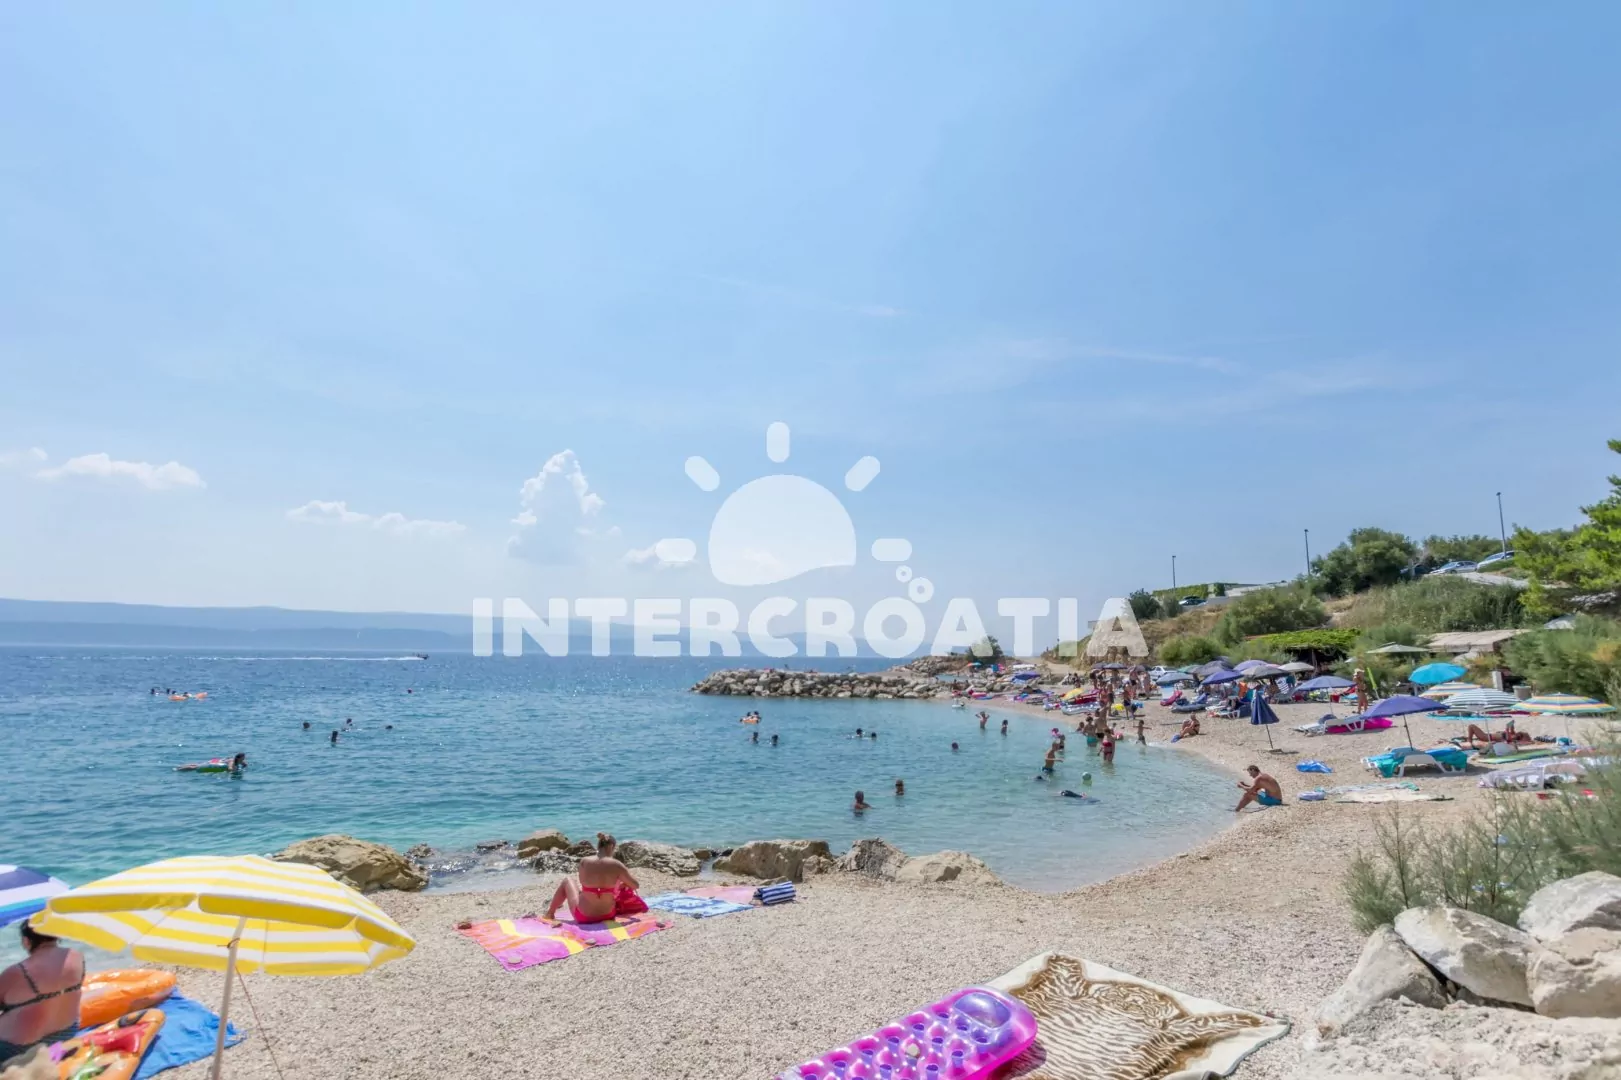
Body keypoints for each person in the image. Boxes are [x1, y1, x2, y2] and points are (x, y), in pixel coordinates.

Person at [0, 924, 84, 1065]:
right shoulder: (76, 957)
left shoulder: (17, 972)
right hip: (66, 1033)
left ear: (26, 941)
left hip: (17, 1048)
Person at [544, 833, 640, 923]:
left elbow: (583, 882)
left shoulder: (584, 861)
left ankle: (550, 913)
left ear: (598, 846)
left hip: (583, 917)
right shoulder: (617, 865)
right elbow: (635, 885)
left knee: (567, 881)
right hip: (608, 915)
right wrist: (619, 885)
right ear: (611, 846)